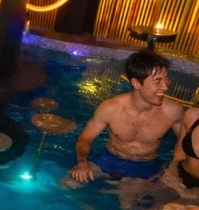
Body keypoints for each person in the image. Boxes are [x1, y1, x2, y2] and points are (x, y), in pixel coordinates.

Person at [69, 50, 184, 183]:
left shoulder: (173, 111)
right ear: (136, 83)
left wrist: (173, 169)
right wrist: (82, 163)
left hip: (147, 166)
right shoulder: (111, 108)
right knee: (69, 183)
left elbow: (185, 143)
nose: (165, 87)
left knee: (128, 196)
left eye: (166, 79)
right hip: (109, 160)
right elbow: (84, 139)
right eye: (157, 81)